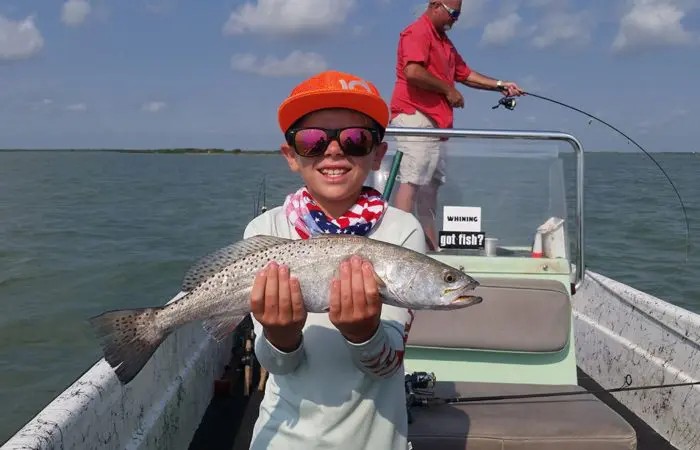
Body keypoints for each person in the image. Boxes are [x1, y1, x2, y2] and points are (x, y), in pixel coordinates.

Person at [243, 69, 428, 450]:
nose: (333, 151)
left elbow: (387, 363)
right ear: (291, 156)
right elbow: (278, 366)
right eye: (312, 141)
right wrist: (280, 335)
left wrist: (364, 333)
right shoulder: (266, 228)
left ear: (378, 154)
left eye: (355, 140)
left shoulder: (402, 230)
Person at [389, 0, 525, 250]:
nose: (456, 19)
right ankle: (399, 246)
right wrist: (447, 90)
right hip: (413, 114)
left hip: (437, 123)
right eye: (453, 13)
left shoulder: (445, 44)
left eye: (459, 15)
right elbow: (412, 71)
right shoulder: (417, 31)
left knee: (431, 183)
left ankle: (429, 245)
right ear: (435, 6)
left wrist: (501, 85)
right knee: (413, 178)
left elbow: (466, 74)